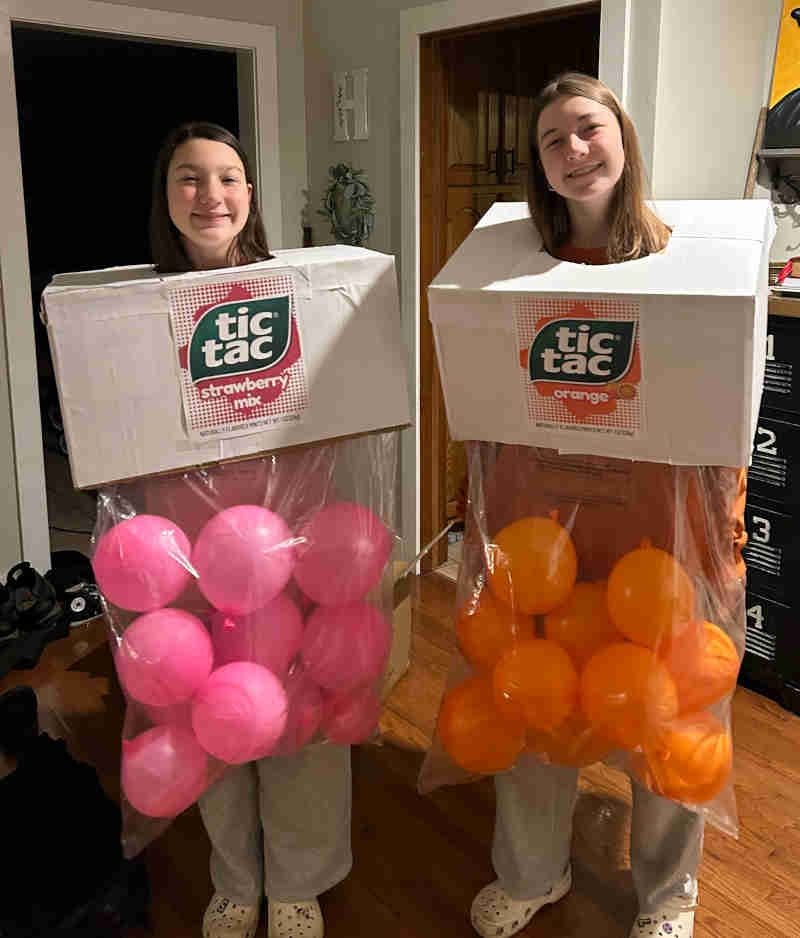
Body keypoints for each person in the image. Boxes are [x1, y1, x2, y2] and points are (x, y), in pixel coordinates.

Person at [463, 74, 747, 938]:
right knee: (534, 704)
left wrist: (721, 538)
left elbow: (726, 420)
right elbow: (482, 413)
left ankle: (669, 895)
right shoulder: (509, 272)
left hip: (659, 540)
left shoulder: (695, 265)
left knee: (666, 717)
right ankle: (532, 871)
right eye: (552, 140)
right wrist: (482, 534)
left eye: (588, 128)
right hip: (539, 535)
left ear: (622, 137)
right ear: (539, 167)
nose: (574, 150)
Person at [149, 122, 351, 938]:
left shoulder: (295, 293)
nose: (211, 195)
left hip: (287, 542)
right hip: (179, 551)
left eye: (228, 177)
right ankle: (237, 878)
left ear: (250, 194)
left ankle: (298, 878)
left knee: (298, 708)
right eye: (189, 177)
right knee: (206, 712)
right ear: (165, 196)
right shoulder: (134, 311)